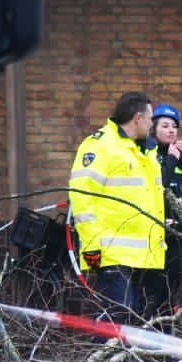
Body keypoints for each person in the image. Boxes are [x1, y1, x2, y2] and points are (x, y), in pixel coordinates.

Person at [67, 91, 165, 317]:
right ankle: (102, 354)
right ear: (138, 119)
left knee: (131, 323)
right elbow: (82, 196)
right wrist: (92, 246)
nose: (152, 125)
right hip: (111, 253)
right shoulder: (100, 146)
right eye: (150, 119)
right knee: (114, 323)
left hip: (143, 255)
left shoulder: (145, 150)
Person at [147, 103, 182, 309]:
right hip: (156, 231)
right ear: (153, 128)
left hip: (178, 231)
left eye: (174, 126)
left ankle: (166, 328)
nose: (171, 130)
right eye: (164, 126)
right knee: (155, 287)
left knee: (174, 284)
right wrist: (171, 159)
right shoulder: (149, 154)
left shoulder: (180, 156)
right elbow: (159, 184)